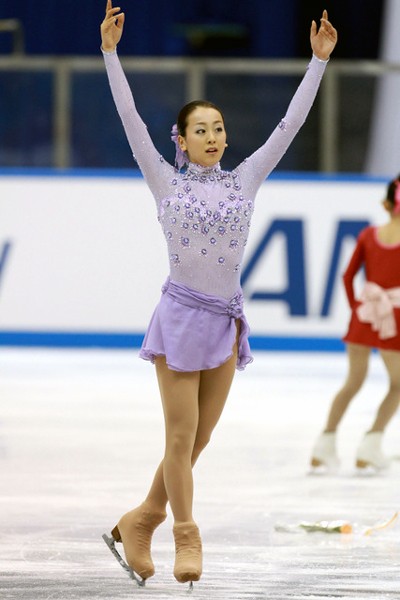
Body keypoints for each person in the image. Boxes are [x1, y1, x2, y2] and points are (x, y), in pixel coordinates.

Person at [100, 0, 337, 586]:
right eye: (201, 130)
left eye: (219, 128)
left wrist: (317, 62)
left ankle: (142, 518)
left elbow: (290, 125)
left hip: (226, 324)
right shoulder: (164, 181)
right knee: (179, 438)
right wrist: (110, 54)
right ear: (180, 140)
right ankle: (185, 535)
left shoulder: (246, 180)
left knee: (198, 439)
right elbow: (130, 119)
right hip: (181, 317)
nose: (213, 137)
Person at [311, 176, 400, 473]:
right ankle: (370, 444)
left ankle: (324, 443)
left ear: (385, 204)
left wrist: (356, 309)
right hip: (393, 319)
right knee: (398, 385)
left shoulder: (369, 234)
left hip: (364, 317)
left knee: (352, 382)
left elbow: (348, 277)